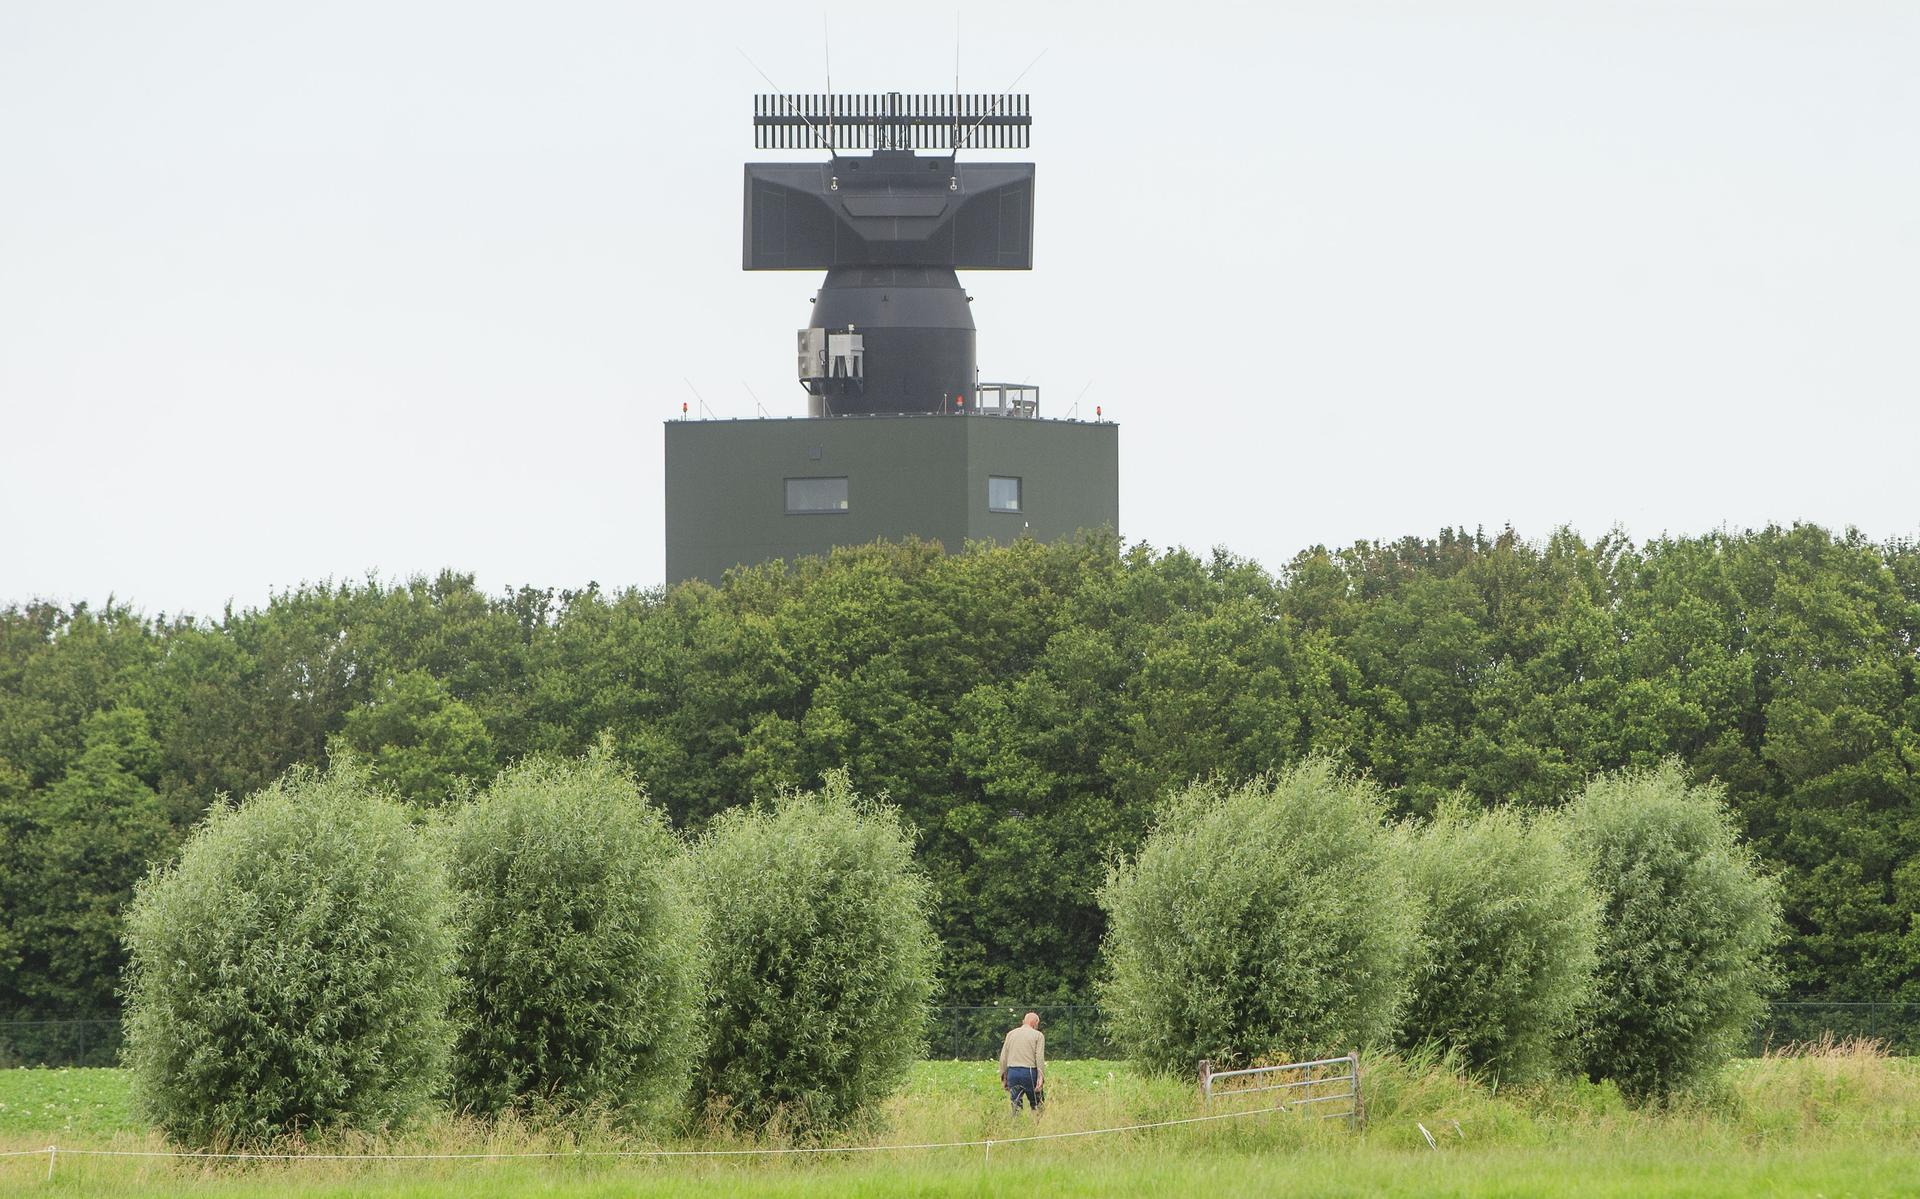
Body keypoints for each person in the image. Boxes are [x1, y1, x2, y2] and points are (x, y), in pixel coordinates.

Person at [998, 1011, 1045, 1114]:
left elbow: (1003, 1057)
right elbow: (1039, 1057)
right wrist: (1040, 1076)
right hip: (1029, 1072)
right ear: (1035, 1023)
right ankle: (1038, 1121)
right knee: (1037, 1103)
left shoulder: (1011, 1034)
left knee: (1016, 1104)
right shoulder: (1038, 1035)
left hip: (1012, 1073)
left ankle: (1017, 1122)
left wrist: (1003, 1076)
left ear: (1024, 1021)